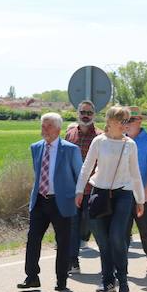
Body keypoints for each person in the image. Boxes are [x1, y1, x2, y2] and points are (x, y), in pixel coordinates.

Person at [75, 105, 146, 292]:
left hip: (123, 194)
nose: (125, 125)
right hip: (99, 193)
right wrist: (79, 190)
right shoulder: (99, 142)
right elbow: (87, 167)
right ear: (110, 121)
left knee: (117, 237)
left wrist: (140, 199)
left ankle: (122, 279)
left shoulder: (130, 144)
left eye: (127, 121)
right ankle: (107, 281)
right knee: (103, 242)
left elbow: (135, 173)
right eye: (122, 121)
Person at [18, 113, 83, 291]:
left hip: (61, 201)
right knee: (33, 238)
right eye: (43, 126)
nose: (44, 130)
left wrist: (78, 196)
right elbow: (38, 173)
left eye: (48, 126)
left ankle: (61, 280)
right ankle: (31, 276)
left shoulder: (70, 149)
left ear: (58, 129)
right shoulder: (36, 147)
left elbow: (80, 175)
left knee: (62, 242)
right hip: (40, 200)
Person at [125, 108, 147, 272]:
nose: (127, 124)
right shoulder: (120, 139)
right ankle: (120, 262)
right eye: (125, 120)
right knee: (122, 229)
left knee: (145, 228)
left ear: (139, 122)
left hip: (142, 191)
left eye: (131, 120)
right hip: (123, 191)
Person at [65, 100, 99, 272]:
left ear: (94, 115)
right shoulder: (70, 134)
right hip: (73, 189)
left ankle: (108, 264)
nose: (85, 115)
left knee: (94, 225)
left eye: (89, 113)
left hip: (94, 190)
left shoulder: (100, 136)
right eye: (82, 112)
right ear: (77, 113)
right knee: (73, 225)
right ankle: (73, 261)